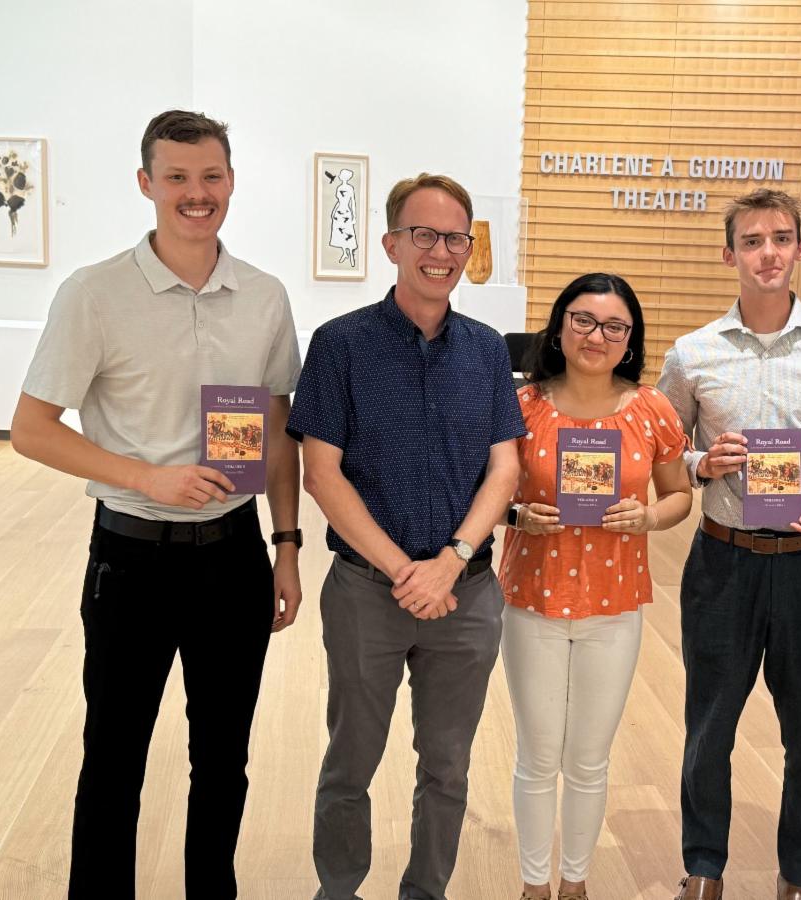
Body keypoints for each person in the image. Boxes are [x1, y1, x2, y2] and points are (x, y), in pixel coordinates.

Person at [10, 109, 303, 900]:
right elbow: (31, 430)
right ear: (147, 184)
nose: (195, 193)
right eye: (176, 177)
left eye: (210, 176)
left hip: (235, 559)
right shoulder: (94, 294)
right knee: (112, 758)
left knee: (223, 761)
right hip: (130, 561)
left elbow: (276, 431)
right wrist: (146, 477)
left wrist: (285, 546)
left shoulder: (267, 298)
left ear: (231, 183)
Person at [288, 173, 525, 900]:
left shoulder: (487, 351)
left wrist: (450, 563)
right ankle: (340, 889)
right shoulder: (340, 345)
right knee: (350, 760)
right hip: (367, 593)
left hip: (467, 596)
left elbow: (505, 468)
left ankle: (426, 891)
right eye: (424, 235)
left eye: (456, 237)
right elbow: (322, 475)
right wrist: (405, 572)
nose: (440, 251)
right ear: (392, 244)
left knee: (448, 766)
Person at [657, 189, 801, 900]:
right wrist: (705, 464)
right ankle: (704, 867)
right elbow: (667, 452)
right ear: (730, 254)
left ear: (798, 250)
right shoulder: (692, 354)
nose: (767, 252)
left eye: (781, 238)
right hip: (721, 561)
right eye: (752, 240)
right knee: (709, 726)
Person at [499, 273, 692, 900]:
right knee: (536, 754)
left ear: (630, 339)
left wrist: (648, 518)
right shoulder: (520, 406)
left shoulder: (651, 408)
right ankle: (533, 885)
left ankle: (575, 882)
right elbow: (486, 491)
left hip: (615, 604)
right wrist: (515, 516)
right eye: (583, 320)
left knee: (587, 758)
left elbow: (679, 495)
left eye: (614, 326)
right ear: (559, 326)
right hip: (532, 596)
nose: (596, 336)